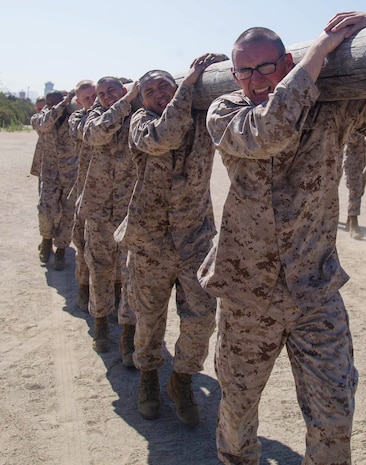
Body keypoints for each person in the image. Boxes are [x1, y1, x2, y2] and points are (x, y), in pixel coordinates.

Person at [200, 11, 366, 464]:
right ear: (234, 75)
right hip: (248, 293)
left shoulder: (331, 106)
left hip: (315, 290)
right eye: (244, 71)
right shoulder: (225, 112)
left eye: (265, 67)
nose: (255, 80)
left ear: (286, 62)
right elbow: (270, 131)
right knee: (238, 409)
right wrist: (319, 54)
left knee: (335, 411)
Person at [120, 53, 227, 426]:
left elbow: (235, 97)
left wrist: (220, 69)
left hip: (195, 238)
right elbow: (164, 137)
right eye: (149, 91)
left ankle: (180, 379)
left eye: (164, 85)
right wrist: (186, 85)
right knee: (149, 318)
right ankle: (148, 378)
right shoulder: (140, 122)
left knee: (202, 318)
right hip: (150, 241)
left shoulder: (202, 116)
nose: (158, 94)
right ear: (142, 100)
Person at [81, 77, 138, 360]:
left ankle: (128, 334)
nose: (105, 97)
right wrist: (124, 101)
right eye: (101, 94)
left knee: (130, 275)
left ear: (123, 90)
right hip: (99, 210)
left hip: (129, 212)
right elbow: (96, 134)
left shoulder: (136, 115)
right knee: (100, 270)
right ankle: (101, 324)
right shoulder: (95, 116)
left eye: (111, 92)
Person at [32, 90, 78, 270]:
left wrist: (69, 105)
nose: (51, 106)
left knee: (68, 214)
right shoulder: (43, 117)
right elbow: (42, 124)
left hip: (70, 174)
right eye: (49, 103)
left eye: (56, 102)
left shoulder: (74, 117)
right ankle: (46, 239)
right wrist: (59, 106)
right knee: (46, 209)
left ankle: (61, 249)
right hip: (50, 173)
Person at [67, 80, 97, 311]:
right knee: (83, 246)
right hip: (86, 195)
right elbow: (93, 130)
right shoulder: (78, 119)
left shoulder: (114, 113)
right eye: (87, 98)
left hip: (117, 199)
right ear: (78, 102)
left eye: (95, 95)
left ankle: (112, 296)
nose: (93, 100)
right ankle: (83, 288)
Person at [342, 132, 366, 239]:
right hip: (352, 162)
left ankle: (349, 219)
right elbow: (349, 137)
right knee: (355, 191)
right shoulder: (354, 121)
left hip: (365, 162)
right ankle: (354, 224)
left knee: (360, 191)